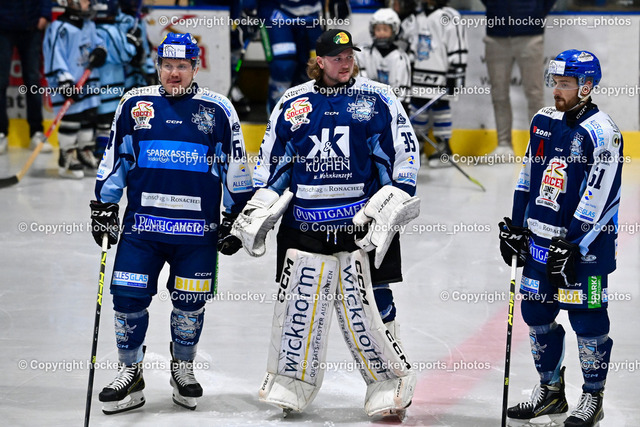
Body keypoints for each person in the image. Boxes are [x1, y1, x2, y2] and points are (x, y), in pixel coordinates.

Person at [232, 29, 420, 419]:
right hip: (304, 226)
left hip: (362, 226)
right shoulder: (293, 102)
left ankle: (391, 383)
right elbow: (273, 163)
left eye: (350, 56)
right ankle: (291, 381)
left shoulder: (378, 98)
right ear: (319, 61)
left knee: (374, 304)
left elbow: (402, 154)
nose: (346, 63)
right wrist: (257, 207)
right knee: (299, 306)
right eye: (337, 57)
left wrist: (394, 200)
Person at [90, 32, 252, 414]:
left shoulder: (218, 109)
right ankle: (130, 372)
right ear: (157, 66)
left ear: (196, 67)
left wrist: (235, 216)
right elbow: (116, 157)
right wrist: (104, 205)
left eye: (182, 66)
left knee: (190, 303)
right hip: (141, 231)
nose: (173, 73)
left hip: (196, 234)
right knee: (127, 299)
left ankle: (183, 368)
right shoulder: (135, 104)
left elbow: (235, 165)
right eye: (167, 65)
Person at [498, 50, 622, 426]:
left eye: (565, 84)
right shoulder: (543, 120)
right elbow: (528, 175)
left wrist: (573, 243)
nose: (557, 90)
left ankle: (593, 397)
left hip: (585, 249)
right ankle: (551, 392)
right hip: (541, 241)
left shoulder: (604, 133)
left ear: (586, 86)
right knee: (536, 312)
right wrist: (517, 226)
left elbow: (600, 197)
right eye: (555, 82)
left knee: (587, 318)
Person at [482, 0, 556, 158]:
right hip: (496, 35)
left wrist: (535, 11)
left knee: (534, 93)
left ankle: (540, 147)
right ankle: (503, 146)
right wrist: (495, 7)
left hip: (530, 35)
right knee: (499, 93)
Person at [399, 0, 467, 168]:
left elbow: (457, 44)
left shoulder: (450, 16)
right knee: (417, 109)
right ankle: (418, 147)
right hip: (417, 76)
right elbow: (404, 42)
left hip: (441, 75)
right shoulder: (415, 17)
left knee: (441, 109)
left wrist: (456, 73)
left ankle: (444, 148)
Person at [43, 0, 107, 178]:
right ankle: (67, 157)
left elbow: (99, 43)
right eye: (86, 1)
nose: (90, 3)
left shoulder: (88, 24)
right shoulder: (59, 28)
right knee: (72, 119)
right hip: (69, 83)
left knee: (88, 118)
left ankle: (84, 152)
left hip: (87, 82)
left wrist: (100, 51)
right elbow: (54, 55)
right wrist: (64, 81)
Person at [0, 0, 52, 154]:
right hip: (3, 27)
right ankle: (1, 133)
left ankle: (36, 132)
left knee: (32, 81)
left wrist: (45, 14)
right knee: (0, 82)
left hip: (31, 26)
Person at [94, 0, 141, 159]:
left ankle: (97, 153)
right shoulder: (111, 31)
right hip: (111, 85)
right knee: (108, 122)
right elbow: (125, 55)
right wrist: (133, 42)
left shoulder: (90, 27)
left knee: (99, 122)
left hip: (96, 85)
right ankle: (104, 156)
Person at [356, 8, 411, 105]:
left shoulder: (401, 58)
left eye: (385, 29)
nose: (381, 33)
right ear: (372, 30)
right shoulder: (364, 53)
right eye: (378, 29)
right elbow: (360, 82)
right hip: (368, 103)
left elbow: (403, 91)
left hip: (392, 105)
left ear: (394, 30)